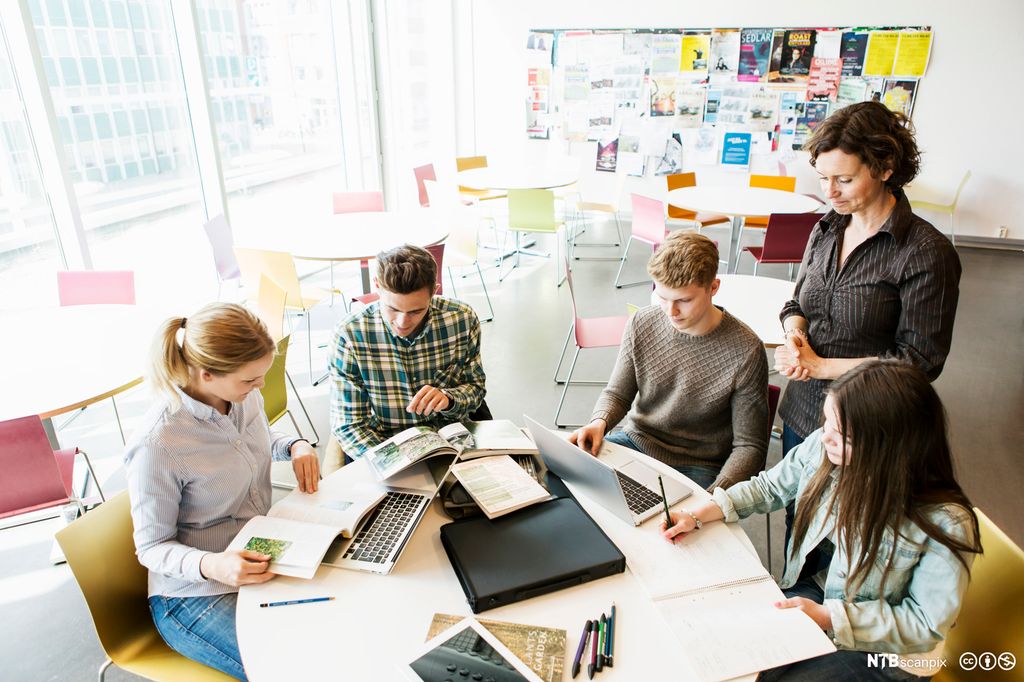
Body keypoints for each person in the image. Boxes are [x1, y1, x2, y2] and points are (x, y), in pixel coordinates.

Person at [662, 360, 982, 680]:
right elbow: (769, 487)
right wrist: (700, 514)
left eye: (843, 435)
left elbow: (924, 624)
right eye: (827, 421)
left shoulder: (947, 523)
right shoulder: (825, 446)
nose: (825, 437)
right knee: (732, 655)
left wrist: (830, 617)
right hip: (823, 593)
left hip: (890, 653)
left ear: (891, 449)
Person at [125, 303, 321, 680]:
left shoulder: (242, 396)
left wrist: (294, 445)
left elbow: (255, 437)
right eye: (250, 380)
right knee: (295, 670)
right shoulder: (158, 444)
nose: (260, 386)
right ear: (207, 374)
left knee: (335, 636)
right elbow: (151, 548)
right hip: (194, 595)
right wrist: (214, 565)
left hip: (260, 552)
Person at [775, 101, 961, 459]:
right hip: (803, 412)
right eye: (823, 178)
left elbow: (919, 362)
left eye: (844, 180)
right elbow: (796, 304)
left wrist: (822, 366)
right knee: (794, 498)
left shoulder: (926, 252)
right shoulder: (826, 229)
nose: (829, 192)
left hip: (866, 428)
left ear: (885, 168)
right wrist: (795, 335)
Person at [570, 232, 768, 491]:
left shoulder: (746, 350)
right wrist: (599, 422)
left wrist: (716, 494)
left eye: (684, 300)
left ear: (713, 288)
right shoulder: (642, 323)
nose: (670, 311)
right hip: (637, 442)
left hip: (701, 465)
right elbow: (617, 394)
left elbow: (749, 447)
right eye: (662, 297)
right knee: (571, 481)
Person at [327, 244, 486, 471]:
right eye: (392, 309)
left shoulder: (462, 319)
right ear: (377, 285)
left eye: (415, 311)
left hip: (449, 440)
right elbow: (350, 426)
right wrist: (395, 465)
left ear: (434, 291)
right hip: (384, 445)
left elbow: (475, 388)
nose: (402, 322)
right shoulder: (349, 335)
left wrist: (449, 399)